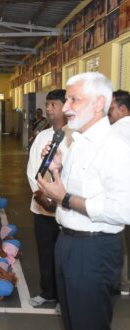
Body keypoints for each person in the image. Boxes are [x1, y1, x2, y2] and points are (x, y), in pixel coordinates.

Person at [37, 73, 130, 330]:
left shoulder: (114, 146)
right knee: (72, 321)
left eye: (73, 100)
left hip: (93, 249)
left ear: (98, 103)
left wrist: (64, 198)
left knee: (88, 323)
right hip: (67, 241)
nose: (65, 107)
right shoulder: (77, 142)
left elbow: (124, 209)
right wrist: (57, 169)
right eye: (67, 100)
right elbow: (73, 191)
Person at [26, 89, 70, 307]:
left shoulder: (74, 138)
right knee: (45, 252)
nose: (49, 109)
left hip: (66, 208)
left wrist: (59, 199)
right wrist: (40, 194)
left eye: (53, 104)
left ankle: (64, 296)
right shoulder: (42, 136)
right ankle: (48, 292)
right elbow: (32, 168)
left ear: (66, 106)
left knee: (65, 256)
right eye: (48, 104)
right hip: (42, 206)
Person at [108, 90, 130, 295]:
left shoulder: (112, 133)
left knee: (117, 238)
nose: (109, 113)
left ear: (123, 109)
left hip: (119, 197)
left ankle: (122, 283)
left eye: (111, 109)